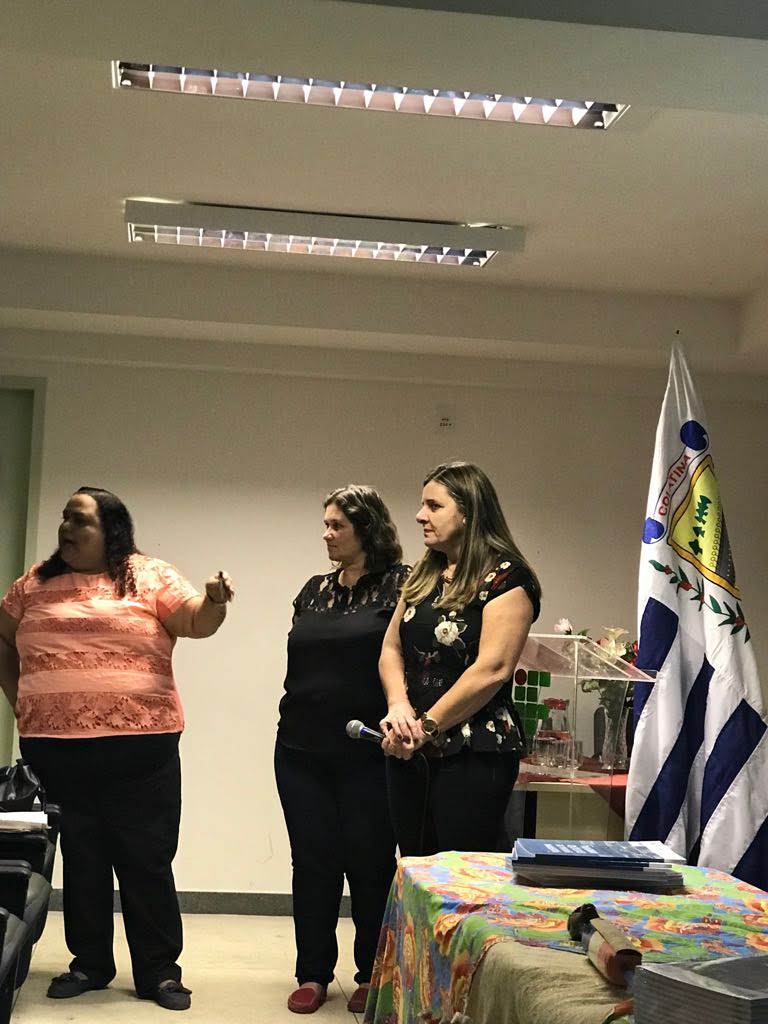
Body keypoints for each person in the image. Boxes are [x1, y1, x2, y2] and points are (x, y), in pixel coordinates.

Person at [0, 486, 234, 1012]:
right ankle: (89, 964)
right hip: (56, 749)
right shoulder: (33, 583)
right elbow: (3, 638)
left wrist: (215, 600)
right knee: (82, 857)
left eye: (79, 520)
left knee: (145, 857)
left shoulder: (147, 575)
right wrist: (23, 701)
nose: (66, 527)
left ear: (111, 530)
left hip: (140, 746)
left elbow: (195, 621)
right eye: (64, 518)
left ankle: (159, 972)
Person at [275, 486, 410, 1015]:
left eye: (338, 526)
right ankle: (312, 972)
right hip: (299, 747)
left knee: (370, 863)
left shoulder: (402, 585)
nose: (327, 535)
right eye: (326, 525)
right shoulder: (314, 590)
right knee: (311, 861)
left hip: (367, 749)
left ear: (367, 528)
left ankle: (371, 973)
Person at [379, 461, 541, 856]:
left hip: (473, 752)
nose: (420, 515)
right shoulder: (423, 574)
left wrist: (427, 726)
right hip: (410, 746)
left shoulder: (508, 578)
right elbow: (391, 648)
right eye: (423, 505)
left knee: (461, 873)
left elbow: (493, 670)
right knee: (415, 866)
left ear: (468, 513)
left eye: (434, 506)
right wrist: (398, 706)